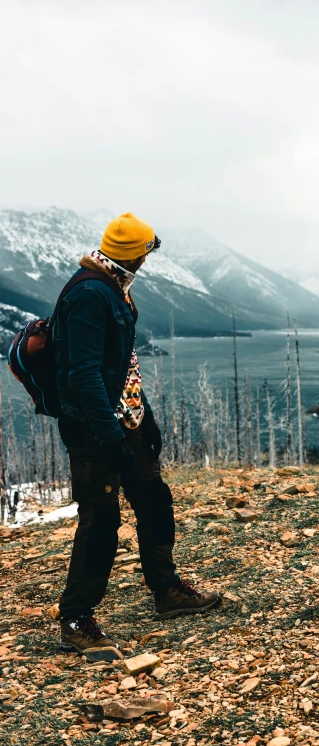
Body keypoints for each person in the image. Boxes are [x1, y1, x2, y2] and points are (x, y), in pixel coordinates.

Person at [53, 212, 220, 659]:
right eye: (149, 248)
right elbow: (84, 374)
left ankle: (166, 591)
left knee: (153, 499)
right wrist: (110, 437)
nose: (150, 256)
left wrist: (143, 421)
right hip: (94, 428)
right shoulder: (91, 293)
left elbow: (119, 365)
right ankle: (75, 618)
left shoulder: (113, 284)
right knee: (102, 520)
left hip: (124, 419)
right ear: (135, 254)